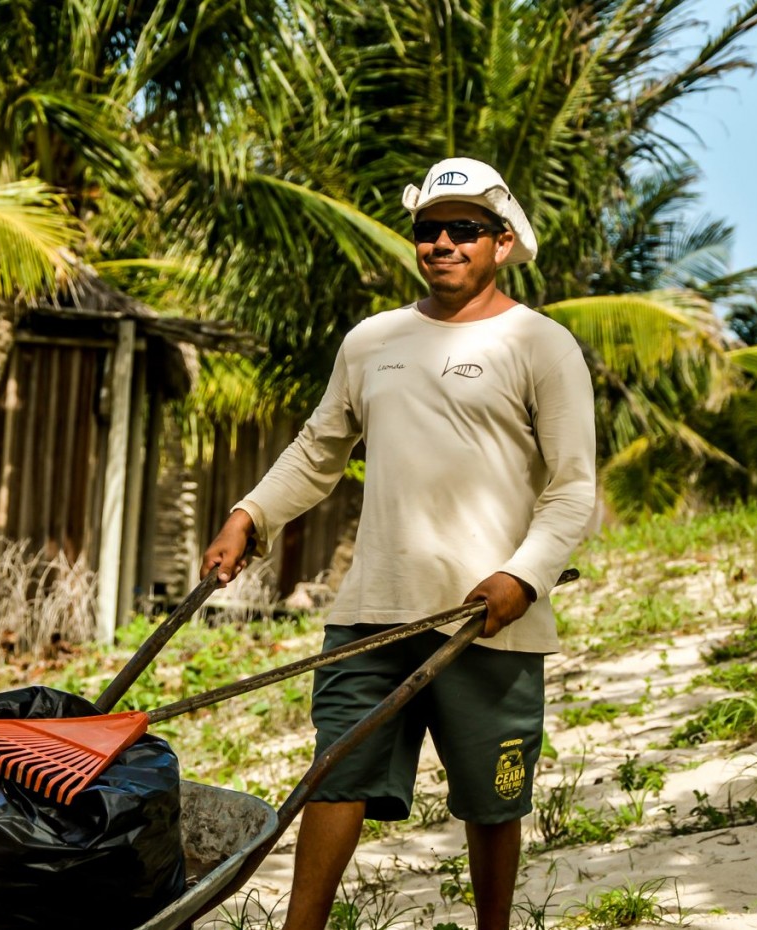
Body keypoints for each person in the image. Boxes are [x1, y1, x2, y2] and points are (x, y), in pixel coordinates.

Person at [200, 157, 598, 930]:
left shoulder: (541, 344)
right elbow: (317, 451)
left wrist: (524, 577)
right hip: (372, 611)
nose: (443, 242)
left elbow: (573, 487)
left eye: (465, 229)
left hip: (488, 619)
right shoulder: (372, 340)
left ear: (502, 242)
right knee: (334, 775)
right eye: (429, 229)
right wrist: (250, 515)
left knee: (491, 801)